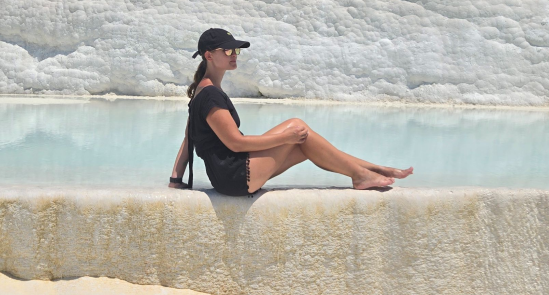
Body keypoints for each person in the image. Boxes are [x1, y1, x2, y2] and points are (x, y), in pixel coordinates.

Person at [169, 28, 413, 195]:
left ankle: (370, 171)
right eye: (228, 51)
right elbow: (235, 143)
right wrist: (284, 138)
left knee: (304, 142)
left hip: (228, 175)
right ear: (209, 55)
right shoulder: (210, 94)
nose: (235, 55)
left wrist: (175, 179)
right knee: (297, 129)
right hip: (233, 177)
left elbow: (188, 137)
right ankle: (363, 174)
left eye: (237, 51)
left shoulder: (204, 90)